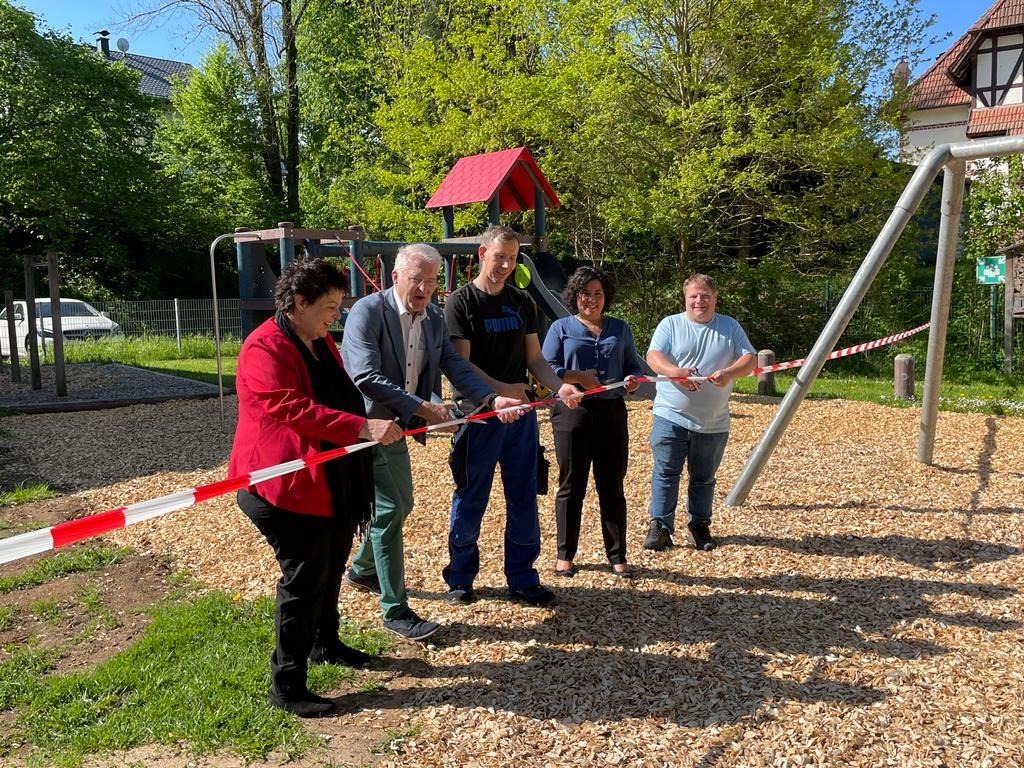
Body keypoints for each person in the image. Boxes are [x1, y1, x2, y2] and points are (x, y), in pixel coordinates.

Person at [228, 257, 403, 718]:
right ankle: (287, 686)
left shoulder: (318, 340)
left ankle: (325, 643)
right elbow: (292, 408)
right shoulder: (262, 347)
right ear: (298, 303)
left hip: (326, 480)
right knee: (304, 580)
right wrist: (362, 428)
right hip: (281, 485)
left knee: (331, 563)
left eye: (339, 305)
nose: (336, 316)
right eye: (328, 306)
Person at [340, 243, 524, 641]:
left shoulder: (433, 317)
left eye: (431, 282)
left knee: (401, 503)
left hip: (397, 426)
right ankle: (395, 610)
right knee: (391, 509)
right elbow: (365, 377)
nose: (424, 289)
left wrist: (490, 399)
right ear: (394, 278)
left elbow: (454, 364)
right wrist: (423, 408)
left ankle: (362, 568)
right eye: (416, 280)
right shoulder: (367, 312)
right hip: (362, 427)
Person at [443, 224, 581, 607]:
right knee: (472, 498)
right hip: (479, 417)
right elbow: (461, 367)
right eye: (499, 256)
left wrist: (559, 387)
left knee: (523, 497)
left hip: (521, 419)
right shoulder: (461, 302)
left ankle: (521, 576)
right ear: (482, 254)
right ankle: (460, 577)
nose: (505, 264)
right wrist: (503, 392)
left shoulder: (523, 302)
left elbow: (535, 359)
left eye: (512, 257)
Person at [542, 266, 644, 578]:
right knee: (571, 485)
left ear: (606, 297)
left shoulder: (620, 328)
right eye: (585, 293)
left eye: (598, 293)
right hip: (572, 412)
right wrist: (571, 381)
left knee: (612, 486)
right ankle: (565, 555)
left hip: (611, 413)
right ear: (575, 296)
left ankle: (617, 555)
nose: (592, 299)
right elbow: (546, 366)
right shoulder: (560, 328)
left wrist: (632, 382)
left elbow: (633, 369)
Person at [643, 273, 756, 553]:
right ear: (685, 298)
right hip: (671, 414)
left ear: (715, 298)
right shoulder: (670, 324)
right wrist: (675, 373)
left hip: (713, 421)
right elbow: (653, 357)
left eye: (705, 296)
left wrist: (729, 373)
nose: (699, 301)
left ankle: (699, 525)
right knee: (666, 472)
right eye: (694, 296)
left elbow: (749, 359)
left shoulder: (729, 327)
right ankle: (660, 526)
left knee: (704, 476)